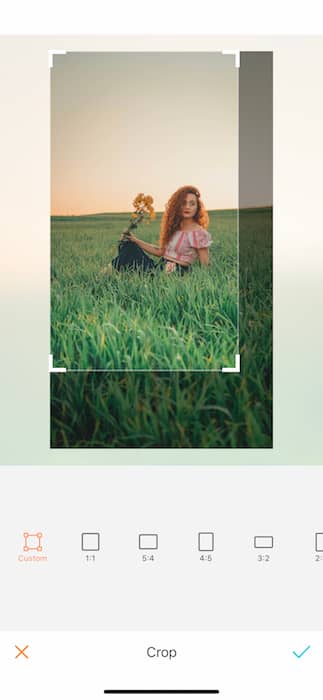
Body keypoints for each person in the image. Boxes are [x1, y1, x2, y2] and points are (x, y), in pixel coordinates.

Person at [112, 185, 212, 274]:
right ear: (177, 206)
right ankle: (111, 272)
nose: (187, 207)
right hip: (160, 267)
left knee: (128, 257)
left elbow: (205, 265)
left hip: (177, 271)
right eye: (184, 203)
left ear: (197, 207)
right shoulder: (174, 228)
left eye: (192, 204)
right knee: (129, 245)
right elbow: (160, 252)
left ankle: (107, 274)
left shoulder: (199, 234)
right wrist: (135, 240)